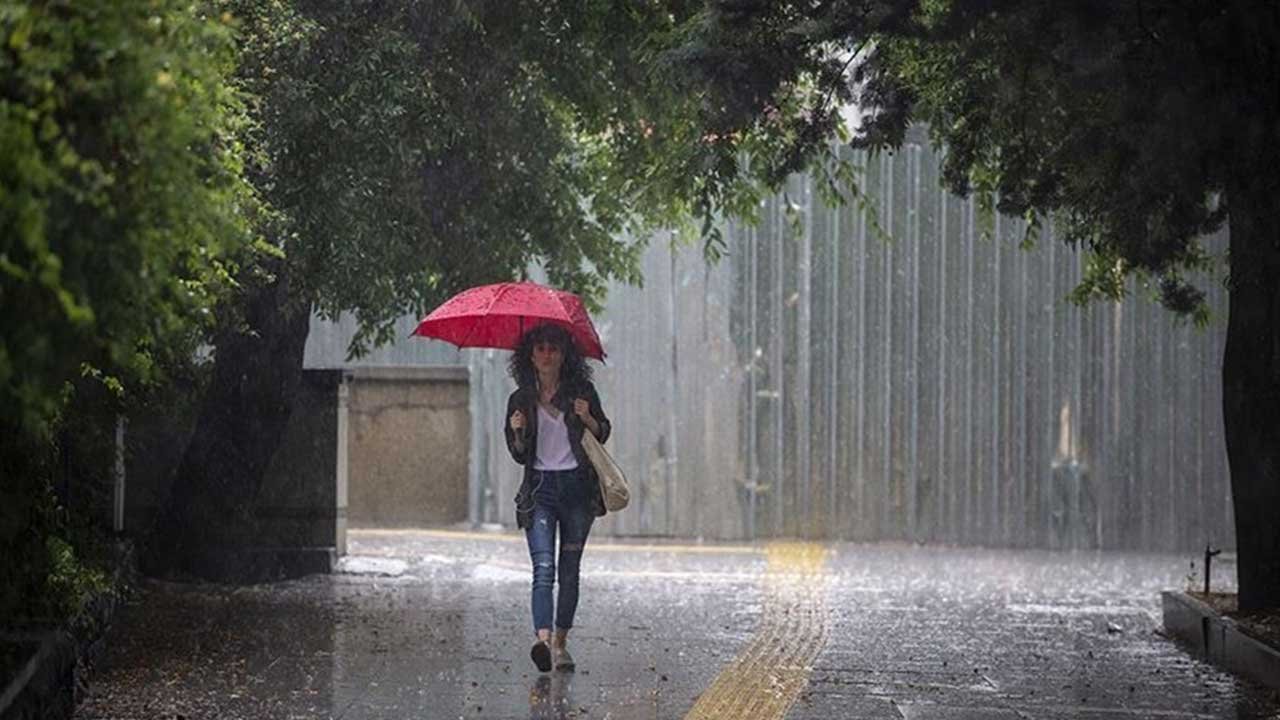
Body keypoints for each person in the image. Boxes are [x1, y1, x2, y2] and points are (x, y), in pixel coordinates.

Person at [504, 323, 611, 673]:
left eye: (553, 348)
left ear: (565, 355)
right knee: (543, 568)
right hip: (540, 491)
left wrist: (588, 417)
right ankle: (543, 640)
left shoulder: (581, 391)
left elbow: (603, 432)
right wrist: (519, 432)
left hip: (578, 489)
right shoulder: (520, 399)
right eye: (540, 348)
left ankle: (561, 642)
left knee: (569, 571)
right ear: (530, 356)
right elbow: (519, 453)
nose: (547, 354)